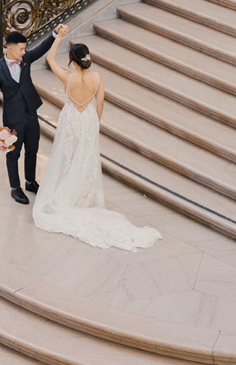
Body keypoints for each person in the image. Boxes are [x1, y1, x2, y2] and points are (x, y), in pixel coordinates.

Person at [31, 24, 160, 252]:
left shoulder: (67, 78)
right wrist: (95, 123)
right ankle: (82, 194)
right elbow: (100, 103)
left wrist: (59, 37)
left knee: (66, 155)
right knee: (85, 158)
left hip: (71, 118)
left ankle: (65, 193)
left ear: (72, 61)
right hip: (88, 119)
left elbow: (50, 59)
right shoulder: (98, 78)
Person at [0, 30, 52, 204]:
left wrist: (54, 35)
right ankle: (15, 188)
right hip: (13, 117)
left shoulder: (25, 60)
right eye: (21, 49)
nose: (24, 52)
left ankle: (30, 182)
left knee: (32, 149)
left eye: (25, 49)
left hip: (31, 112)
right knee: (13, 154)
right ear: (10, 48)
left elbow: (41, 49)